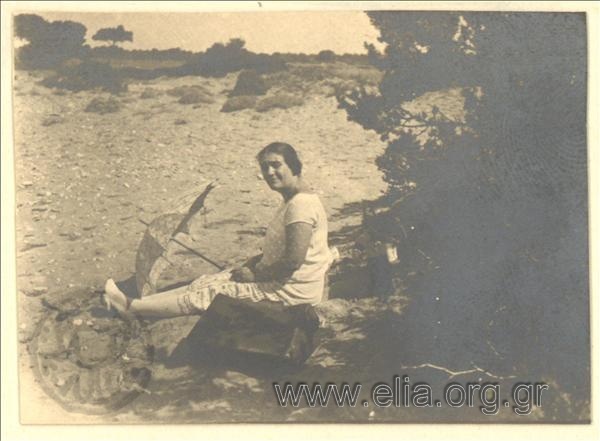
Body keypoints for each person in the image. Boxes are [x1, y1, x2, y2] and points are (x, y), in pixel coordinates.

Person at [104, 142, 334, 319]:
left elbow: (293, 261)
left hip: (290, 292)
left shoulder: (301, 205)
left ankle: (131, 307)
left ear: (293, 166)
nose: (269, 172)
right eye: (265, 167)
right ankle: (141, 304)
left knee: (214, 293)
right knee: (209, 281)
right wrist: (254, 263)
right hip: (282, 281)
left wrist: (255, 276)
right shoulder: (292, 201)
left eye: (276, 165)